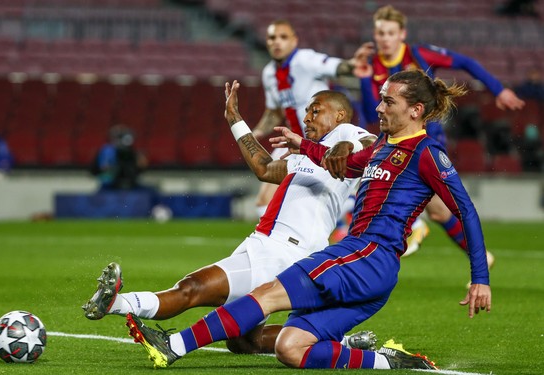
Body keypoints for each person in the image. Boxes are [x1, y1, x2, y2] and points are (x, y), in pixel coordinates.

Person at [126, 72, 491, 370]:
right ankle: (388, 363)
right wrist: (304, 145)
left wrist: (480, 278)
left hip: (366, 254)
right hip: (371, 269)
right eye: (380, 98)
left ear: (416, 110)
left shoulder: (426, 152)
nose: (379, 107)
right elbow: (346, 165)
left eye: (388, 101)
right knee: (291, 347)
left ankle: (173, 344)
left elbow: (466, 211)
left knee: (266, 295)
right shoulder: (383, 146)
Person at [83, 86, 378, 353]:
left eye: (316, 110)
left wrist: (347, 145)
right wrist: (234, 119)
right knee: (243, 341)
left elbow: (368, 142)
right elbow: (264, 168)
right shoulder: (305, 157)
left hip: (281, 251)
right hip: (273, 247)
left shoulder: (346, 134)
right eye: (307, 111)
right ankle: (342, 343)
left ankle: (118, 304)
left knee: (192, 288)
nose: (308, 117)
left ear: (340, 114)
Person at [355, 5, 524, 261]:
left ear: (402, 34)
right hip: (395, 140)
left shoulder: (418, 54)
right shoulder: (371, 66)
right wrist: (364, 80)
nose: (385, 38)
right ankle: (479, 255)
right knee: (438, 210)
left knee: (413, 193)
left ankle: (415, 227)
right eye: (380, 33)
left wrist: (498, 90)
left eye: (390, 32)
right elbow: (370, 114)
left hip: (426, 138)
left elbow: (465, 62)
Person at [251, 19, 369, 237]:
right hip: (293, 141)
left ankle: (339, 219)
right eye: (272, 38)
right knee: (264, 201)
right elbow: (274, 111)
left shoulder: (305, 59)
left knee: (329, 189)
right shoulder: (269, 73)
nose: (277, 42)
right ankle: (299, 236)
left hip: (322, 138)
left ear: (294, 41)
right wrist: (255, 133)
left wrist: (352, 65)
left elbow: (336, 66)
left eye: (283, 37)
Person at [91, 124, 148, 191]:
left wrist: (140, 162)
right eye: (118, 137)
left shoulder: (132, 152)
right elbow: (99, 169)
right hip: (109, 185)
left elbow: (137, 169)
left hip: (131, 184)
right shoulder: (106, 150)